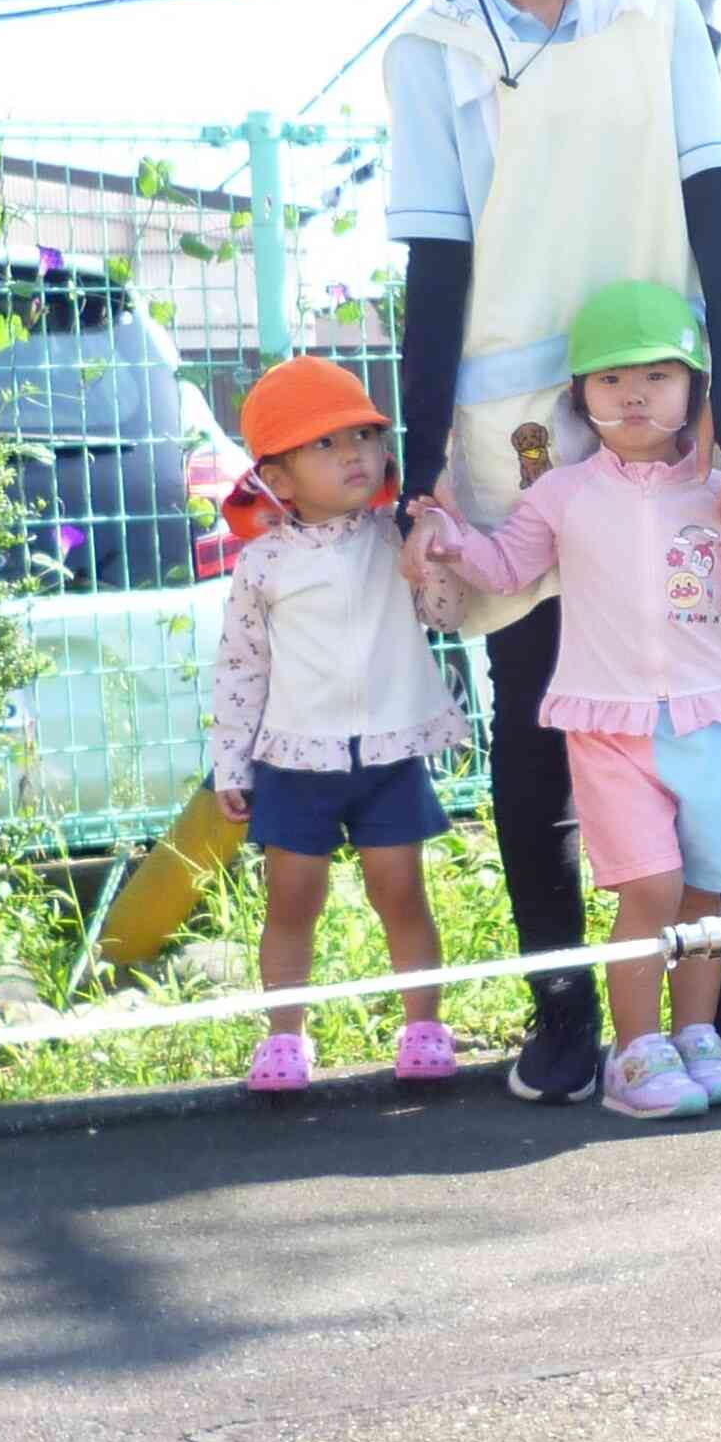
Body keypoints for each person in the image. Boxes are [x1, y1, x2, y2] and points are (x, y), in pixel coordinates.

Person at [383, 0, 721, 1110]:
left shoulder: (657, 8)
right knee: (539, 721)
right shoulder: (428, 48)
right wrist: (422, 464)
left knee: (704, 719)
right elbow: (432, 265)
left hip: (659, 414)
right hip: (521, 442)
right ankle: (567, 1005)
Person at [417, 282, 721, 1120]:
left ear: (694, 390)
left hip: (712, 714)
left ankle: (696, 1037)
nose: (633, 396)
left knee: (708, 892)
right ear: (579, 397)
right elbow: (509, 571)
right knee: (653, 884)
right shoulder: (560, 492)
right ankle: (635, 1052)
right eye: (609, 380)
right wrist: (449, 537)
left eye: (658, 376)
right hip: (608, 725)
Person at [208, 358, 469, 1096]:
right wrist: (232, 763)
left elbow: (448, 618)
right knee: (291, 898)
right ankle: (284, 1036)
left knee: (400, 889)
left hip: (390, 751)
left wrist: (437, 559)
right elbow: (241, 668)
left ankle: (424, 1025)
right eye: (324, 444)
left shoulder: (396, 536)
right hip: (295, 760)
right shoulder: (261, 565)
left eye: (363, 435)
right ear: (277, 480)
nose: (354, 453)